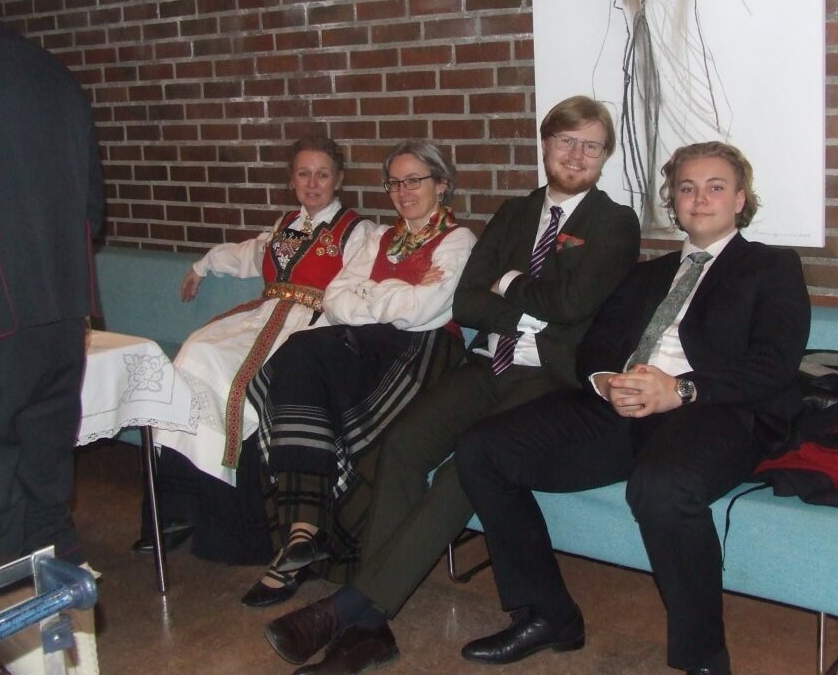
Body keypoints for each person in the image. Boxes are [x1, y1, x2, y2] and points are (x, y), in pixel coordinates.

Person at [261, 95, 642, 674]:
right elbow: (467, 301)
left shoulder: (615, 223)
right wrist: (528, 304)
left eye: (591, 145)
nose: (576, 154)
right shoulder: (514, 213)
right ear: (546, 145)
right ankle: (369, 621)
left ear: (605, 155)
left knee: (469, 463)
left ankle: (357, 614)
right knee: (402, 446)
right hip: (485, 364)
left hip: (548, 377)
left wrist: (506, 283)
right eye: (566, 141)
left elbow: (573, 303)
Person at [454, 141, 811, 675]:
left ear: (740, 200)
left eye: (715, 187)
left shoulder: (771, 267)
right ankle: (547, 615)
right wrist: (605, 381)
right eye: (687, 188)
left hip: (714, 411)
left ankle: (704, 659)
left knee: (662, 487)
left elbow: (774, 364)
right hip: (621, 404)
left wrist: (680, 389)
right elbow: (596, 343)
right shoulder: (648, 272)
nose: (700, 198)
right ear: (674, 202)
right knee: (483, 448)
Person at [241, 140, 477, 608]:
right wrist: (395, 290)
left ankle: (307, 539)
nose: (403, 192)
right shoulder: (379, 237)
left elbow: (424, 312)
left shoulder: (459, 240)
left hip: (424, 354)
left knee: (309, 372)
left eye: (415, 181)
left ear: (442, 185)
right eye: (394, 183)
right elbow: (334, 299)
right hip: (367, 344)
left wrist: (369, 290)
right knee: (297, 356)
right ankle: (303, 533)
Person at [142, 137, 374, 559]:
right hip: (264, 315)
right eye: (303, 173)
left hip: (311, 327)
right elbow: (248, 254)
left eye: (322, 174)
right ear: (292, 180)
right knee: (195, 353)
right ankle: (178, 505)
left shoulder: (357, 231)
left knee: (244, 383)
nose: (312, 183)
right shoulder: (286, 224)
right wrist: (202, 264)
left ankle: (232, 522)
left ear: (339, 179)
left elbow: (359, 288)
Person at [0, 0, 104, 569]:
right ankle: (62, 616)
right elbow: (94, 211)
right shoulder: (57, 75)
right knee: (47, 488)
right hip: (63, 307)